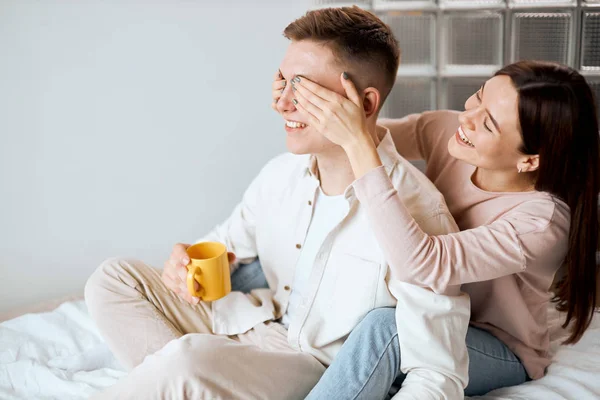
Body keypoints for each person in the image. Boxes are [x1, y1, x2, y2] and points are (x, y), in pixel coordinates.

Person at [84, 7, 471, 399]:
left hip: (310, 364)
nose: (282, 103)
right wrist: (182, 267)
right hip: (254, 321)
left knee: (186, 361)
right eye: (282, 82)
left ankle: (184, 377)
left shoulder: (420, 213)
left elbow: (436, 372)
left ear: (365, 104)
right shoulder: (281, 175)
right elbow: (226, 246)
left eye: (302, 89)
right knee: (112, 280)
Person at [267, 59, 599, 398]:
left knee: (387, 329)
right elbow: (355, 135)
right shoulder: (448, 131)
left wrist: (356, 143)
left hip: (491, 342)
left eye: (487, 124)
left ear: (529, 160)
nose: (466, 118)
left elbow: (423, 265)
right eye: (478, 96)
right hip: (425, 306)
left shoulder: (540, 222)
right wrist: (299, 101)